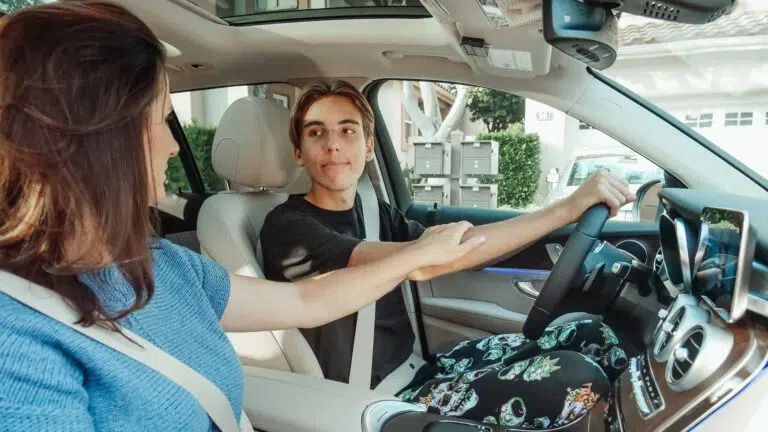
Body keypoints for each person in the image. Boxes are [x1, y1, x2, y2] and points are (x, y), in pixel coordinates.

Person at [0, 3, 488, 431]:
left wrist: (417, 254)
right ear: (101, 138)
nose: (174, 145)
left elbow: (305, 299)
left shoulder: (163, 263)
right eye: (159, 120)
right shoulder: (16, 336)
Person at [260, 80, 635, 427]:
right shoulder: (288, 227)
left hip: (421, 369)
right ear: (298, 151)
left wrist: (562, 214)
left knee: (594, 334)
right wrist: (566, 209)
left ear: (369, 145)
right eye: (315, 133)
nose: (333, 144)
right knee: (575, 378)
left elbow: (461, 249)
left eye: (347, 130)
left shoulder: (373, 210)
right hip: (379, 397)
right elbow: (425, 261)